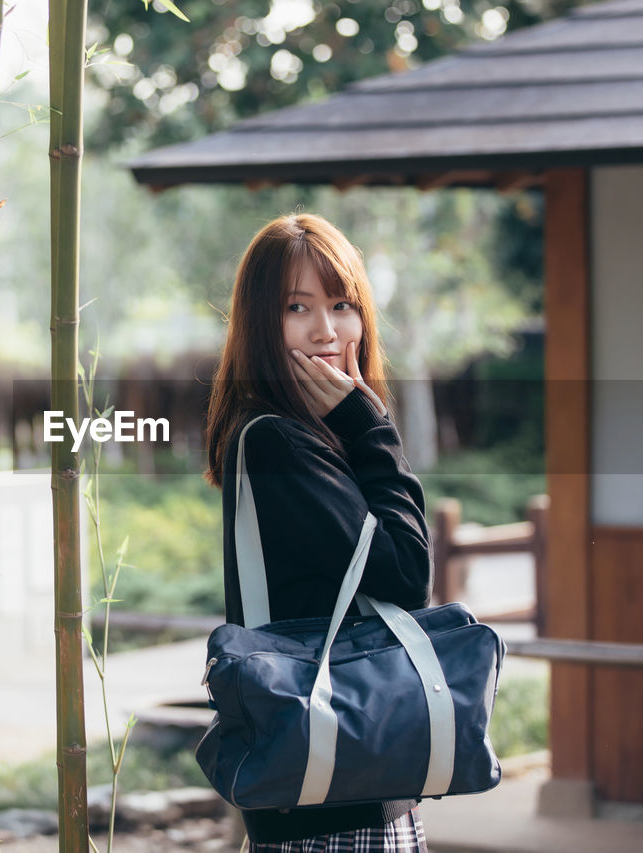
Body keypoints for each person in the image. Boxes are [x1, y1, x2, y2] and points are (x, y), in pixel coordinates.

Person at [204, 213, 434, 852]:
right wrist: (371, 425)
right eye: (298, 307)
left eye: (342, 305)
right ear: (260, 322)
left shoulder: (305, 436)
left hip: (343, 784)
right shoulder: (279, 440)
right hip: (334, 809)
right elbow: (407, 574)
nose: (326, 331)